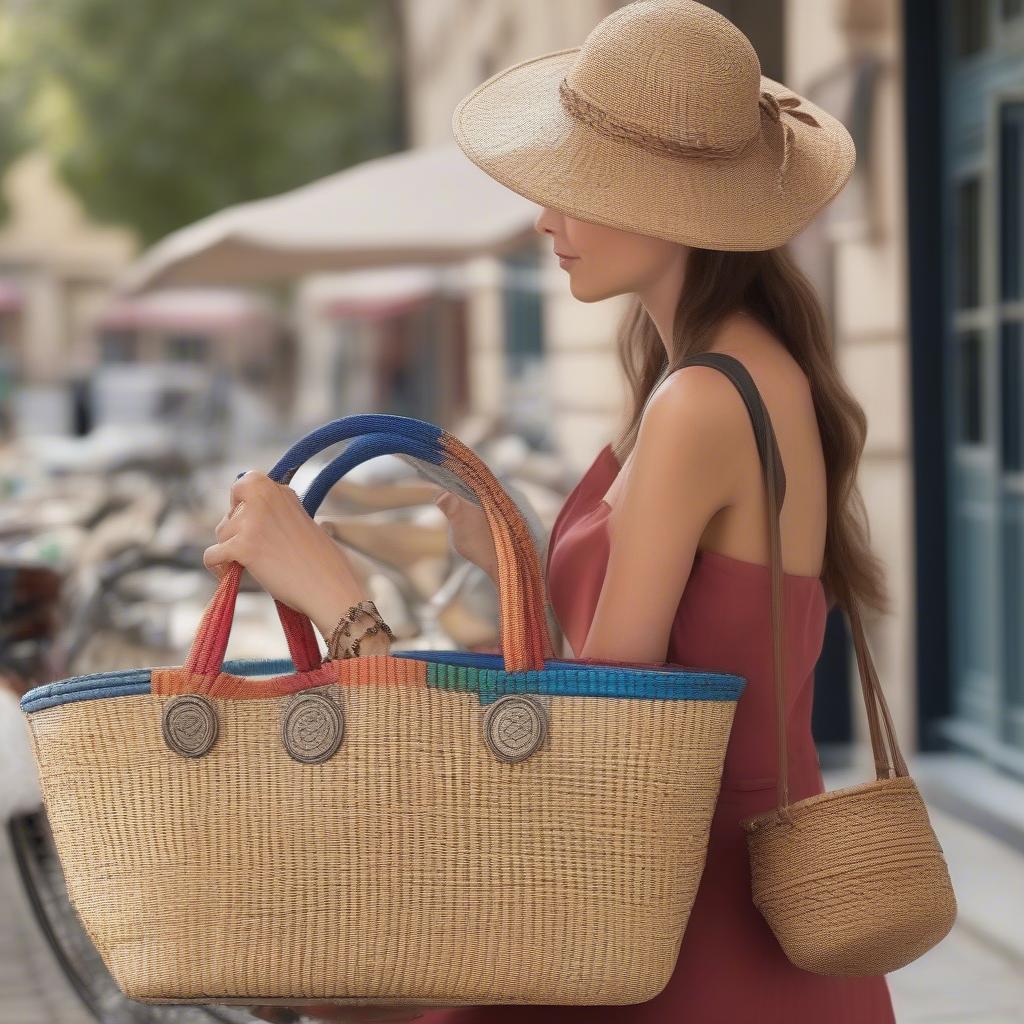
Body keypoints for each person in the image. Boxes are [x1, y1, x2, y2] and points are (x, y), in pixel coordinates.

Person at [209, 1, 897, 1020]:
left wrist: (339, 602)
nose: (544, 218)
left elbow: (600, 740)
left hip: (682, 932)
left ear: (666, 207)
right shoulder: (717, 373)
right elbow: (672, 667)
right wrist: (512, 557)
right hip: (687, 909)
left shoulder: (698, 401)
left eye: (578, 189)